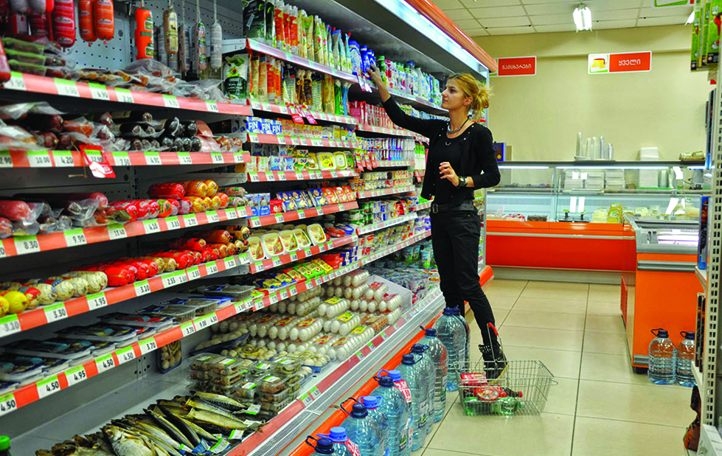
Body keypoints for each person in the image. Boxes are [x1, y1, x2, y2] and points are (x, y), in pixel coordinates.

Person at [366, 66, 506, 374]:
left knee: (469, 285)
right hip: (439, 216)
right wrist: (381, 85)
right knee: (448, 286)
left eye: (451, 90)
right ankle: (456, 350)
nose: (444, 93)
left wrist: (462, 180)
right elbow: (401, 118)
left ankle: (494, 353)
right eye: (445, 88)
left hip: (463, 217)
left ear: (467, 100)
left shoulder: (479, 134)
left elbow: (493, 175)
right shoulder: (440, 130)